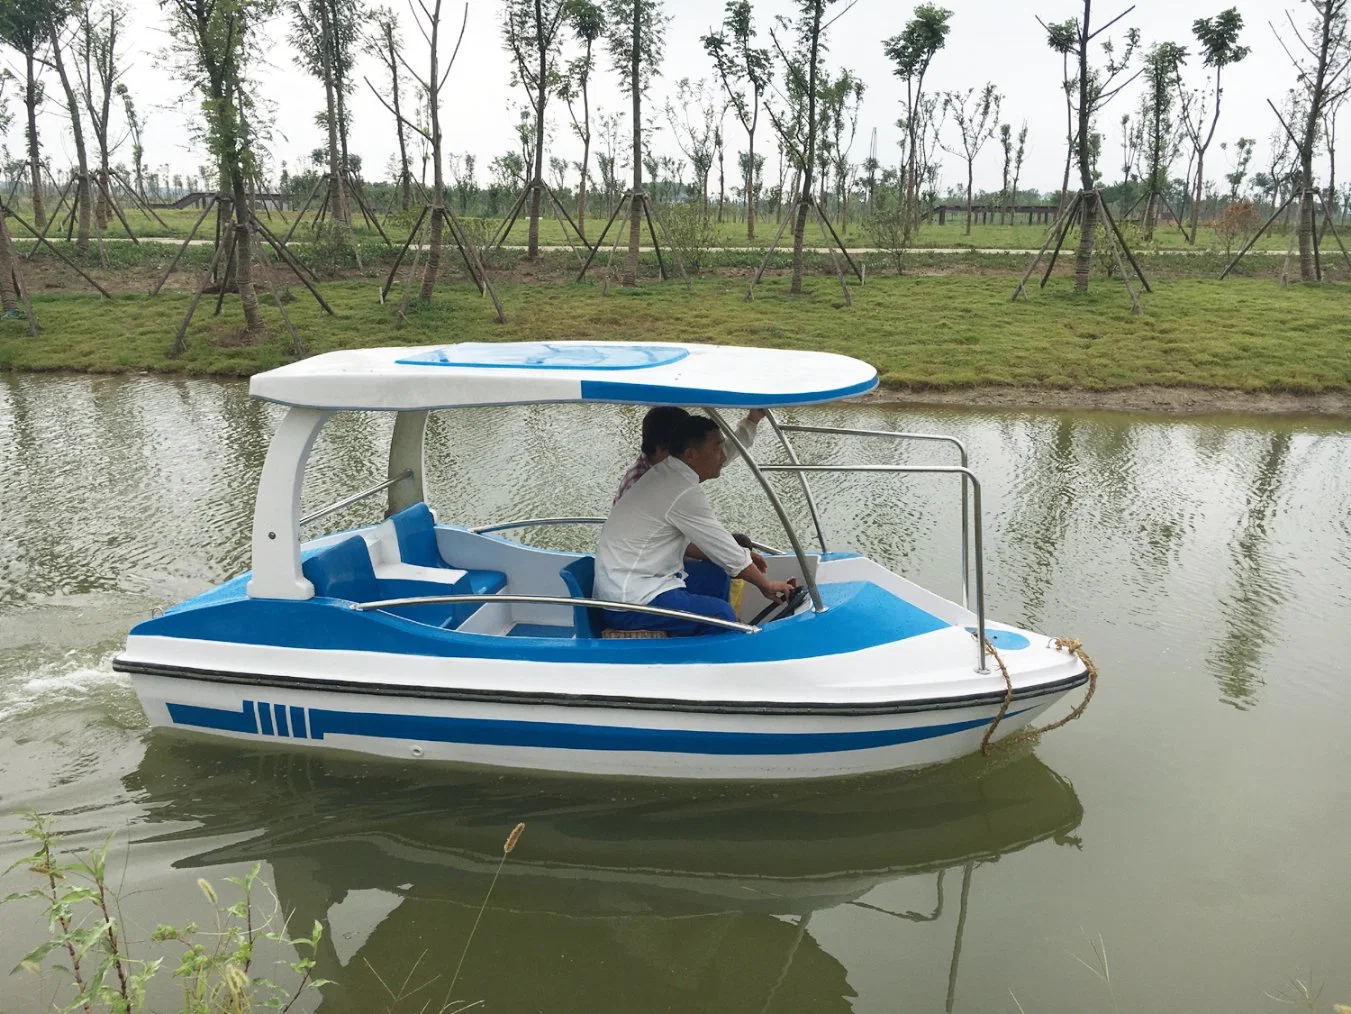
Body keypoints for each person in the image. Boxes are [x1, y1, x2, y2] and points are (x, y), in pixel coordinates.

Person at [596, 415, 794, 636]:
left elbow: (713, 547)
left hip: (637, 582)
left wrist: (743, 555)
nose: (723, 456)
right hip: (629, 602)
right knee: (721, 615)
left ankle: (705, 637)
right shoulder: (680, 490)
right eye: (718, 448)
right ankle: (712, 655)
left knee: (716, 576)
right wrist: (765, 585)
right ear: (691, 454)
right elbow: (723, 547)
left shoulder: (669, 474)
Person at [612, 406, 766, 504]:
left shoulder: (673, 467)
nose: (718, 456)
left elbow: (718, 455)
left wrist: (753, 420)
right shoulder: (642, 484)